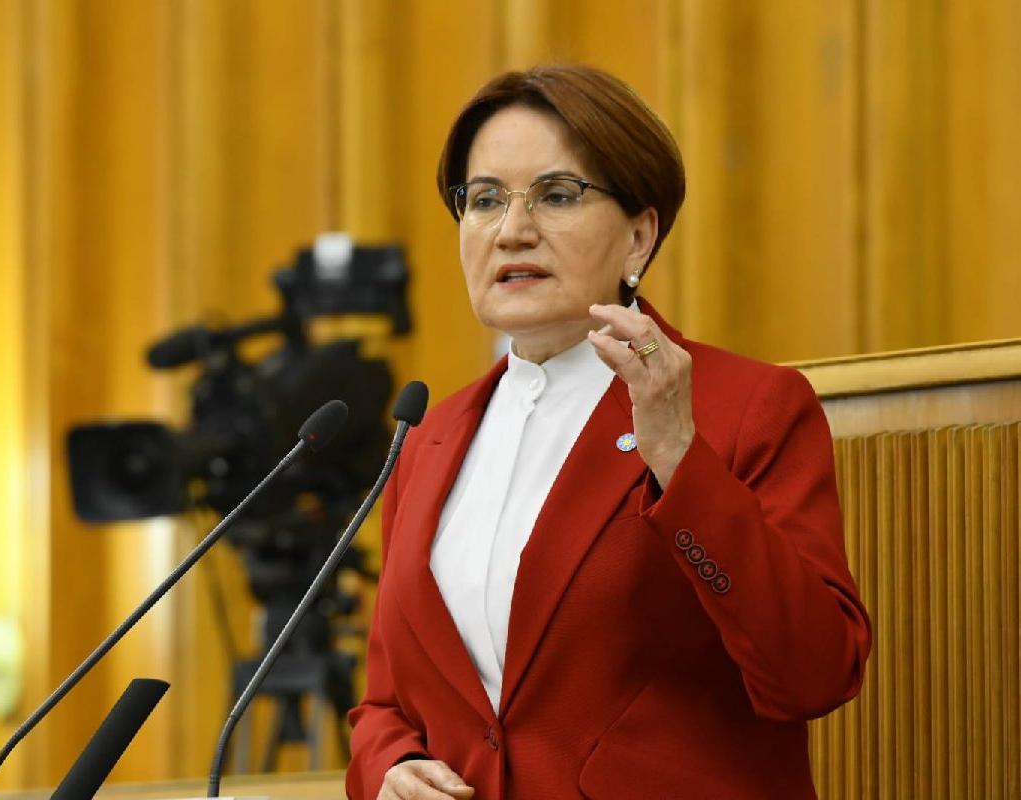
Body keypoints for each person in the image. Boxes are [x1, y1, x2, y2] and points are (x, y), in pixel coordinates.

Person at [346, 64, 871, 800]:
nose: (512, 230)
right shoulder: (428, 441)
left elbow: (815, 672)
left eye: (557, 195)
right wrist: (389, 768)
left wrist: (681, 462)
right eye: (485, 199)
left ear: (638, 237)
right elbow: (386, 702)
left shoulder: (748, 407)